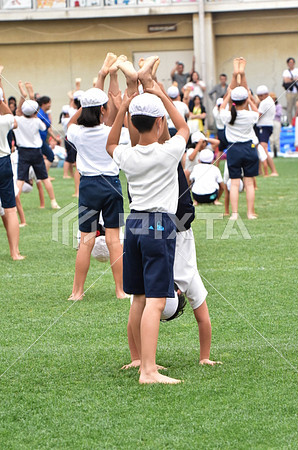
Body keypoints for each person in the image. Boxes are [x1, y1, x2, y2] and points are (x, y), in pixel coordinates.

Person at [106, 56, 189, 384]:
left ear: (133, 123)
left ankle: (139, 360)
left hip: (135, 225)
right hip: (159, 226)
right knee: (156, 300)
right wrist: (159, 93)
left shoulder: (127, 155)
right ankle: (148, 371)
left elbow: (111, 142)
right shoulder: (169, 152)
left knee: (139, 298)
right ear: (158, 124)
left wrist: (125, 106)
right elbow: (182, 127)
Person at [122, 162, 222, 369]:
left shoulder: (167, 283)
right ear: (177, 293)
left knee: (152, 166)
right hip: (170, 220)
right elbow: (203, 320)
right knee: (154, 163)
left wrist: (136, 359)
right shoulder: (187, 278)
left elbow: (134, 320)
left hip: (158, 221)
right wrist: (204, 357)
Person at [67, 86, 126, 301]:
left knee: (86, 240)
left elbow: (70, 124)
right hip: (111, 184)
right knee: (114, 240)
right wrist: (120, 108)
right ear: (103, 109)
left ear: (84, 109)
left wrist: (84, 106)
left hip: (88, 185)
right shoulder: (112, 131)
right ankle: (121, 290)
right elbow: (128, 129)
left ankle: (77, 292)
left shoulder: (76, 132)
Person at [220, 57, 259, 220]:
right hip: (249, 148)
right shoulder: (250, 115)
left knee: (234, 183)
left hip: (234, 149)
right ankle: (250, 213)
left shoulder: (228, 116)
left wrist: (229, 94)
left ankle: (234, 214)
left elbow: (222, 106)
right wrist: (249, 98)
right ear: (245, 100)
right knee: (249, 183)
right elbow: (256, 110)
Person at [14, 99, 60, 211]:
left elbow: (17, 113)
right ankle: (53, 202)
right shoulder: (37, 121)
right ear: (35, 113)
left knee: (20, 179)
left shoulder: (17, 120)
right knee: (44, 178)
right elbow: (44, 127)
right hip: (36, 152)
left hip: (23, 152)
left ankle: (15, 203)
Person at [0, 86, 25, 260]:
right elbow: (13, 120)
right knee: (10, 209)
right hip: (3, 162)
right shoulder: (4, 121)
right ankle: (15, 253)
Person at [255, 85, 278, 176]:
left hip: (264, 126)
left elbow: (258, 115)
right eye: (259, 96)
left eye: (261, 96)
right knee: (260, 149)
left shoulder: (265, 102)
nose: (260, 98)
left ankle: (273, 171)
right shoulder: (269, 101)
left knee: (263, 149)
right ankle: (260, 171)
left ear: (266, 94)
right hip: (265, 126)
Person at [37, 95, 61, 176]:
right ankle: (44, 176)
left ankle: (44, 175)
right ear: (44, 104)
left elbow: (49, 129)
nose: (50, 105)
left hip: (43, 140)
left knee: (47, 156)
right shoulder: (39, 114)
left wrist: (56, 139)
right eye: (49, 103)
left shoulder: (45, 114)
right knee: (50, 155)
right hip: (38, 140)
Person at [282, 57, 298, 125]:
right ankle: (290, 123)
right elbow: (285, 80)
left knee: (297, 108)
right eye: (290, 63)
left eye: (292, 62)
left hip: (297, 93)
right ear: (287, 64)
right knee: (289, 108)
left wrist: (291, 78)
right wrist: (295, 79)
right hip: (289, 93)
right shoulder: (286, 72)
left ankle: (297, 123)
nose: (291, 64)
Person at [212, 97, 228, 167]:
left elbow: (216, 107)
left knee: (220, 150)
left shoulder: (215, 111)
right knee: (228, 148)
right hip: (225, 131)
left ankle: (217, 166)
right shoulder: (223, 113)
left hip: (219, 131)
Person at [269, 92, 282, 158]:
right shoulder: (268, 106)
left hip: (276, 122)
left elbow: (279, 113)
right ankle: (272, 152)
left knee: (277, 137)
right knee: (271, 138)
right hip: (270, 122)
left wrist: (274, 113)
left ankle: (278, 152)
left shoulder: (278, 106)